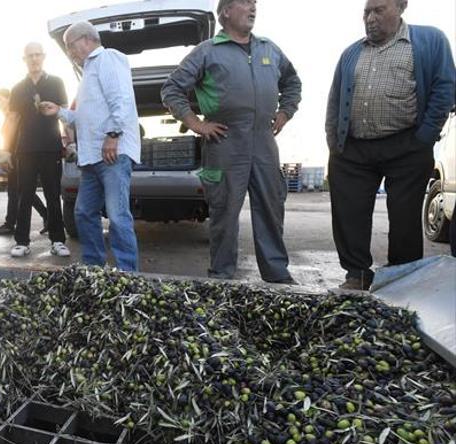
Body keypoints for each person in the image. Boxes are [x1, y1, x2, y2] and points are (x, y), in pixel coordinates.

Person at [161, 0, 301, 284]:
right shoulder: (207, 52)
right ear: (225, 11)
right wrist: (197, 124)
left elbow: (292, 82)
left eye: (255, 3)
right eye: (245, 3)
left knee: (272, 208)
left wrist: (285, 112)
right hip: (225, 142)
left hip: (264, 142)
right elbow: (172, 89)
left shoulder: (269, 49)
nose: (253, 7)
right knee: (224, 212)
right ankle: (222, 277)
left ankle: (276, 275)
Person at [326, 0, 456, 290]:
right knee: (349, 213)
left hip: (406, 145)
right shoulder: (351, 53)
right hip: (354, 149)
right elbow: (335, 99)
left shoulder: (430, 40)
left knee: (405, 217)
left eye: (378, 10)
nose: (370, 18)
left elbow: (444, 87)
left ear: (400, 7)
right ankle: (357, 274)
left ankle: (401, 278)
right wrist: (334, 142)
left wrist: (424, 136)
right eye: (366, 12)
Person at [39, 21, 140, 271]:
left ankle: (129, 274)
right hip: (93, 158)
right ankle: (94, 269)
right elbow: (84, 117)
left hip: (112, 154)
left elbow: (122, 99)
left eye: (70, 46)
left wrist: (113, 135)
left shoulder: (107, 58)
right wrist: (60, 111)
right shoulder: (88, 73)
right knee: (83, 213)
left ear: (86, 39)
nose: (70, 53)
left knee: (118, 216)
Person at [7, 42, 70, 258]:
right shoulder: (17, 88)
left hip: (51, 147)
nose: (34, 59)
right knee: (25, 195)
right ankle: (22, 242)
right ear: (24, 59)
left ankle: (58, 241)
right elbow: (12, 121)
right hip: (24, 149)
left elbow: (64, 114)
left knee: (53, 195)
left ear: (43, 57)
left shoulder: (56, 82)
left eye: (37, 55)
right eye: (30, 55)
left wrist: (69, 142)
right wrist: (6, 150)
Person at [0, 88, 48, 237]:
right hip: (13, 157)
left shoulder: (15, 115)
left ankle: (10, 224)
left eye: (0, 100)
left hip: (19, 157)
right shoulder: (7, 116)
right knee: (21, 191)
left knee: (18, 191)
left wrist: (11, 154)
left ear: (9, 98)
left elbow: (16, 138)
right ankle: (47, 217)